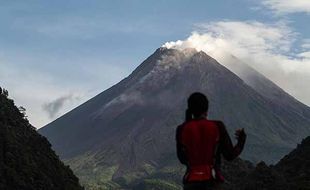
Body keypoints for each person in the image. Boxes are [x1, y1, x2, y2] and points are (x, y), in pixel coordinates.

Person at [176, 92, 246, 190]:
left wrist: (188, 121)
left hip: (191, 182)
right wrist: (241, 140)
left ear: (190, 109)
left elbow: (182, 158)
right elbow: (229, 155)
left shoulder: (181, 129)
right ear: (206, 109)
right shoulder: (217, 126)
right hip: (213, 181)